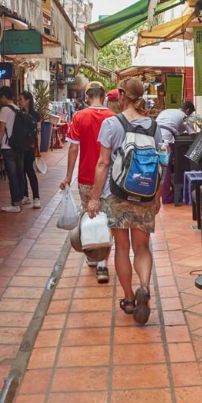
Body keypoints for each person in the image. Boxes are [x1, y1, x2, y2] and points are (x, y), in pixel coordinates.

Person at [87, 77, 162, 324]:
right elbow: (161, 163)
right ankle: (144, 285)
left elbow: (103, 163)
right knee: (142, 247)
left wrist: (94, 198)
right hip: (146, 194)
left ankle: (129, 299)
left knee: (122, 248)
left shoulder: (111, 123)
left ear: (121, 95)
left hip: (117, 194)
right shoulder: (153, 126)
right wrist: (157, 196)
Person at [60, 81, 115, 284]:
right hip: (109, 178)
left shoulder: (79, 116)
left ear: (87, 96)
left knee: (90, 215)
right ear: (103, 96)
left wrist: (68, 175)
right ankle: (103, 265)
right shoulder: (113, 117)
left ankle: (93, 256)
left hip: (85, 177)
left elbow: (73, 149)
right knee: (107, 218)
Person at [155, 101, 196, 204]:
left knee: (162, 167)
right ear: (187, 111)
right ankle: (166, 197)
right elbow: (193, 134)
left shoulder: (168, 111)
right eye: (190, 114)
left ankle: (165, 194)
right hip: (165, 140)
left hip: (155, 137)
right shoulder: (184, 116)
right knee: (166, 168)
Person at [0, 86, 24, 213]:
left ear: (3, 97)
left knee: (12, 176)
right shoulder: (17, 109)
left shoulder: (5, 109)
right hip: (17, 146)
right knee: (18, 174)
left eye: (0, 97)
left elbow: (1, 129)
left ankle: (15, 203)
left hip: (7, 146)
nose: (0, 100)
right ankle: (19, 200)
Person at [18, 91, 42, 209]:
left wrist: (38, 148)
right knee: (21, 171)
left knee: (30, 172)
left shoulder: (35, 114)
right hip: (21, 146)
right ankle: (25, 195)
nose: (20, 101)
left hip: (31, 147)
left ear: (28, 100)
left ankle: (36, 197)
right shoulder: (19, 113)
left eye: (21, 99)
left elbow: (38, 131)